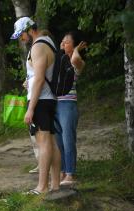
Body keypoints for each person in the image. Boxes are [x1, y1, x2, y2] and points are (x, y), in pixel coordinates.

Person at [11, 17, 61, 194]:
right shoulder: (49, 42)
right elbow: (39, 76)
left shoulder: (38, 46)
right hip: (48, 98)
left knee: (43, 142)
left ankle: (42, 187)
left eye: (21, 35)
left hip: (40, 101)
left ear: (29, 30)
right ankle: (55, 184)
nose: (21, 39)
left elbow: (40, 78)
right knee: (52, 142)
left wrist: (30, 108)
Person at [55, 31, 87, 186]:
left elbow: (75, 59)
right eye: (62, 40)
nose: (62, 43)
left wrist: (75, 51)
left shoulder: (76, 62)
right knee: (59, 141)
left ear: (74, 46)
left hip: (68, 105)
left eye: (66, 41)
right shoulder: (59, 61)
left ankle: (70, 174)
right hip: (56, 104)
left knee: (68, 140)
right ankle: (61, 171)